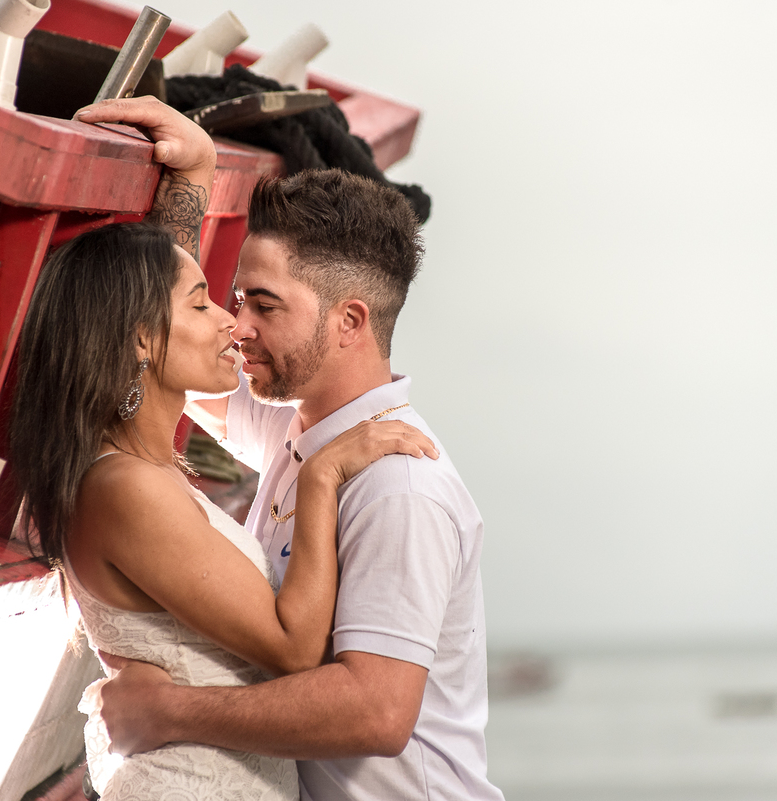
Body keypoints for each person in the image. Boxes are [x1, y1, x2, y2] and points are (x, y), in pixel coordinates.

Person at [74, 99, 505, 800]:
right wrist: (192, 183)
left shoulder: (398, 486)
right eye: (236, 299)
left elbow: (376, 711)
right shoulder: (299, 428)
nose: (237, 327)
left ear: (349, 321)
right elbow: (151, 352)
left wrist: (169, 712)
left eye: (264, 306)